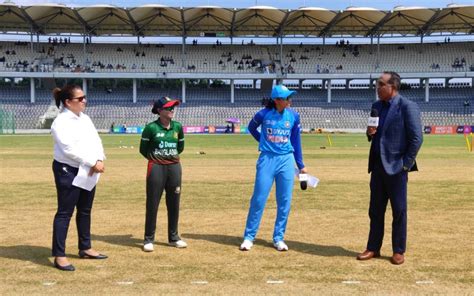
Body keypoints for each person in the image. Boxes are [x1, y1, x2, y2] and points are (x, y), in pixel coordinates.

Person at [357, 71, 423, 265]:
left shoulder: (407, 107)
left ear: (392, 86)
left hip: (397, 169)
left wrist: (405, 165)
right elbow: (373, 134)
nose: (377, 88)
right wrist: (369, 133)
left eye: (380, 84)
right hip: (377, 168)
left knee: (399, 211)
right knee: (375, 210)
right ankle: (373, 248)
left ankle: (398, 250)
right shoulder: (376, 106)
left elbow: (417, 139)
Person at [240, 85, 308, 252]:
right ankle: (249, 237)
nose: (290, 100)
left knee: (284, 201)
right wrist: (263, 141)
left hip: (286, 160)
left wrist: (301, 165)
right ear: (278, 100)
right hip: (267, 159)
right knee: (258, 199)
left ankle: (279, 237)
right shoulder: (263, 114)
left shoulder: (294, 116)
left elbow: (296, 141)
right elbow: (251, 128)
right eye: (287, 98)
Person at [50, 85, 107, 271]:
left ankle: (85, 247)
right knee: (65, 213)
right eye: (80, 98)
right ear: (68, 102)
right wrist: (92, 162)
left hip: (88, 169)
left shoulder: (86, 119)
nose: (84, 101)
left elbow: (96, 140)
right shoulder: (60, 122)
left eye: (84, 97)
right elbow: (68, 149)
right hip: (68, 170)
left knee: (85, 210)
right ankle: (59, 255)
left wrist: (99, 159)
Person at [140, 97, 187, 252]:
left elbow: (180, 147)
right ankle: (148, 239)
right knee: (152, 203)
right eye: (168, 108)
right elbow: (143, 149)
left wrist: (169, 157)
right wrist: (157, 159)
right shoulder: (151, 128)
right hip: (156, 168)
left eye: (173, 107)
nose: (172, 110)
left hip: (174, 168)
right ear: (159, 111)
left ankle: (174, 238)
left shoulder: (177, 127)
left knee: (174, 203)